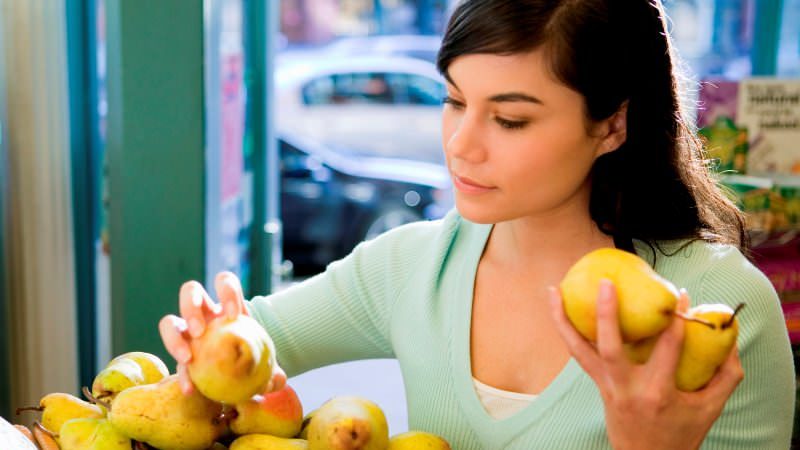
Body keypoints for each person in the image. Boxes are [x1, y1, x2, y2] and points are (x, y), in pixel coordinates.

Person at [160, 1, 795, 448]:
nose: (461, 144)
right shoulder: (413, 266)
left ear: (611, 125)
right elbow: (259, 337)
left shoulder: (717, 310)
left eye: (510, 119)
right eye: (455, 101)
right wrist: (212, 338)